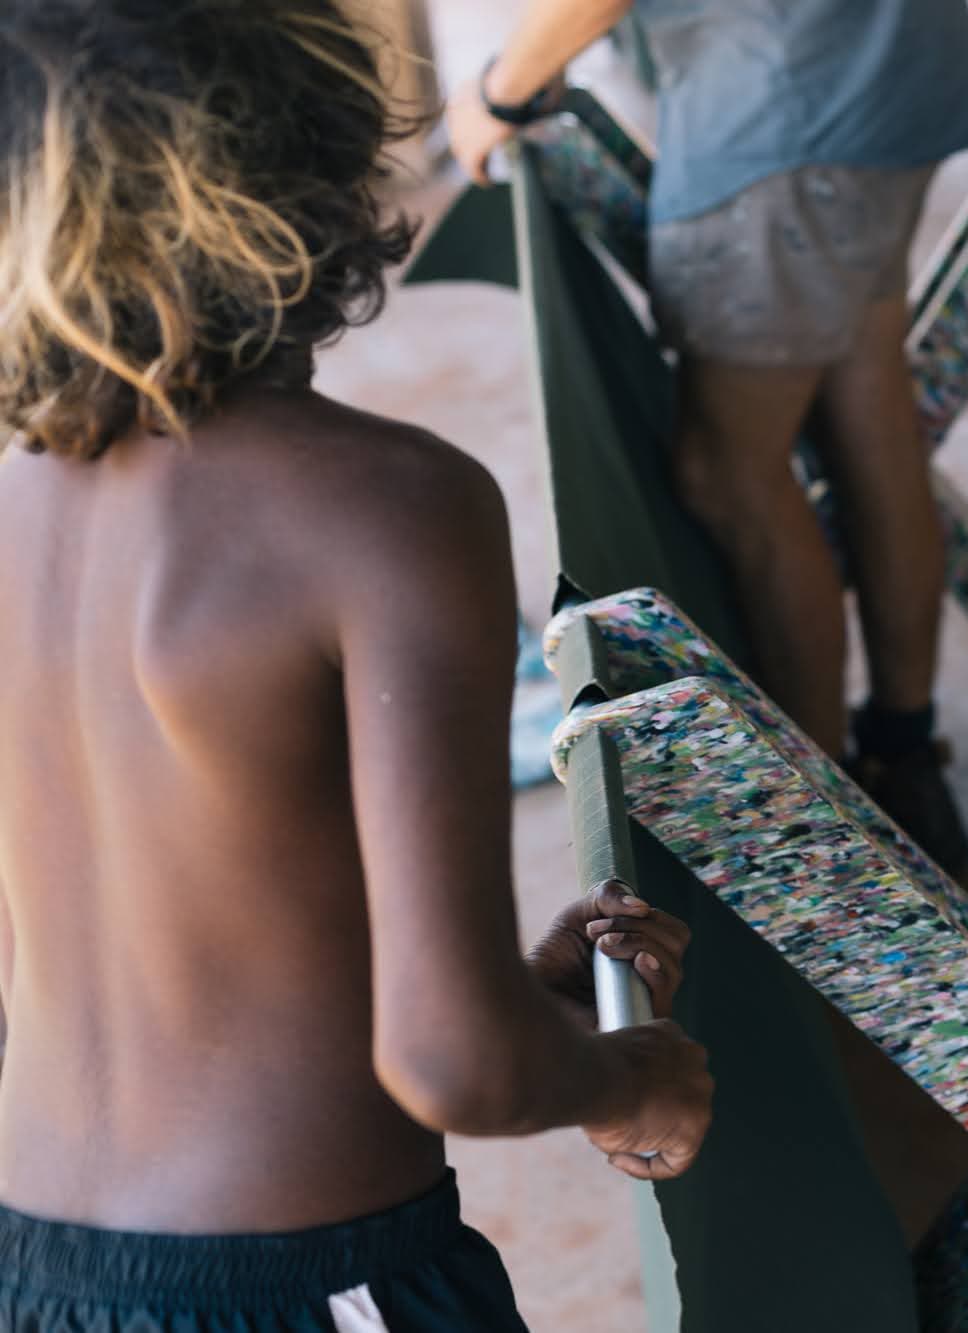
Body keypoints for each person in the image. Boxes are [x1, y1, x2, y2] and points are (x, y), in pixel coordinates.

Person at [0, 3, 714, 1327]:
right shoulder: (386, 509)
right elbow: (452, 1060)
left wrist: (528, 998)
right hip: (305, 1283)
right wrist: (630, 1077)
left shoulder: (13, 510)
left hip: (34, 1270)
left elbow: (141, 954)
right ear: (312, 172)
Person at [448, 0, 968, 874]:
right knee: (869, 418)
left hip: (787, 112)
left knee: (729, 475)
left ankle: (825, 838)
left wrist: (500, 93)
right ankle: (905, 749)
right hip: (889, 77)